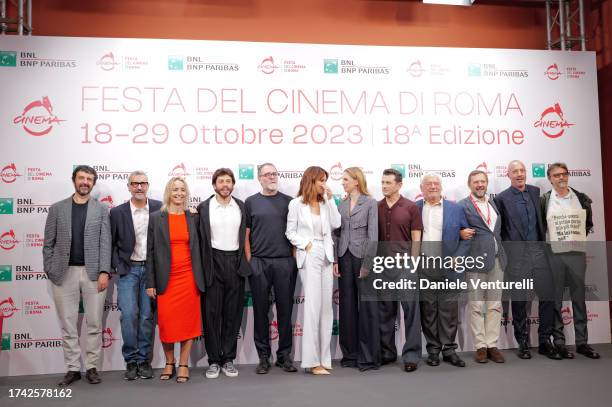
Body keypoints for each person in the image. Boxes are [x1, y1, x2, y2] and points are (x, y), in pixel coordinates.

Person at [43, 165, 111, 386]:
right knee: (68, 324)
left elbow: (105, 242)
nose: (85, 182)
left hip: (93, 274)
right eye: (81, 178)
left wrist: (103, 271)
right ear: (74, 180)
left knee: (94, 323)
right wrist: (50, 269)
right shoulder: (56, 209)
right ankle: (72, 369)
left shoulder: (101, 209)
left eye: (89, 179)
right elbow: (48, 243)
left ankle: (92, 367)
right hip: (64, 273)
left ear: (93, 183)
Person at [494, 160, 561, 360]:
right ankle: (522, 341)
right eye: (515, 171)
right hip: (518, 259)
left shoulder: (534, 192)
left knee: (548, 297)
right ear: (508, 174)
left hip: (539, 254)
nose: (520, 174)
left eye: (522, 170)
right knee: (520, 300)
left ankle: (544, 341)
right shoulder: (501, 199)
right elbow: (500, 230)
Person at [145, 177, 205, 383]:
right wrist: (150, 282)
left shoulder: (194, 217)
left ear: (186, 193)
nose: (178, 193)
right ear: (168, 193)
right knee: (167, 323)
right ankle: (169, 362)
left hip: (189, 277)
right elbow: (150, 253)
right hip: (165, 279)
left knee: (188, 323)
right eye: (174, 190)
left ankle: (183, 363)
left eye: (182, 190)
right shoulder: (156, 217)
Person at [540, 162, 599, 359]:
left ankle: (582, 342)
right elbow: (541, 228)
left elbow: (588, 224)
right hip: (554, 255)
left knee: (579, 298)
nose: (561, 178)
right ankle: (559, 343)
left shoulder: (581, 198)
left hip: (576, 255)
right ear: (550, 179)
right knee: (556, 299)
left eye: (564, 174)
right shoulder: (545, 200)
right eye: (556, 175)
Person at [286, 166, 341, 375]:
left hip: (326, 253)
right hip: (309, 253)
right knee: (312, 308)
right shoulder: (296, 204)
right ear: (311, 181)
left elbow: (336, 223)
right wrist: (305, 244)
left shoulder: (326, 203)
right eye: (321, 180)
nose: (324, 184)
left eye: (325, 180)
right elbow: (290, 232)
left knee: (327, 308)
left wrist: (331, 200)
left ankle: (325, 358)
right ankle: (311, 361)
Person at [198, 168, 252, 379]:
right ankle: (213, 361)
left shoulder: (241, 206)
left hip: (235, 263)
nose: (225, 185)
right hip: (212, 263)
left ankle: (228, 359)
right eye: (221, 181)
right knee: (211, 315)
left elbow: (247, 236)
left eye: (228, 181)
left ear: (233, 185)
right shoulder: (203, 207)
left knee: (232, 314)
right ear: (214, 185)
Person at [245, 163, 298, 374]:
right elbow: (246, 235)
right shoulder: (251, 202)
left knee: (285, 311)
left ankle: (284, 356)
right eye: (267, 174)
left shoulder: (290, 202)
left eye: (274, 173)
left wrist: (293, 261)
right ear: (259, 178)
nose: (272, 177)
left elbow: (295, 233)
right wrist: (250, 261)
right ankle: (264, 357)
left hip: (284, 262)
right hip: (259, 263)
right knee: (260, 311)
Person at [110, 171, 162, 380]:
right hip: (128, 270)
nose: (139, 187)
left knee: (147, 317)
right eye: (135, 184)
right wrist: (118, 266)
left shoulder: (160, 207)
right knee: (129, 315)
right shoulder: (117, 212)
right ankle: (131, 360)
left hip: (151, 270)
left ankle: (144, 360)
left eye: (143, 183)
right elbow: (111, 243)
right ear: (129, 187)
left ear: (148, 185)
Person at [416, 173, 470, 368]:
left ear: (441, 186)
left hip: (449, 266)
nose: (432, 187)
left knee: (448, 310)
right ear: (421, 188)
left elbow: (467, 236)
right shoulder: (415, 208)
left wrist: (458, 257)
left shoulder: (455, 209)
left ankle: (449, 350)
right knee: (428, 309)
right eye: (428, 184)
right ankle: (433, 350)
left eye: (436, 183)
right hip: (424, 266)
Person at [332, 167, 379, 371]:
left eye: (345, 179)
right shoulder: (341, 204)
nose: (342, 182)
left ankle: (368, 357)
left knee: (367, 308)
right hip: (344, 258)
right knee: (347, 307)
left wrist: (368, 263)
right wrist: (335, 260)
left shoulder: (370, 203)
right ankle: (349, 354)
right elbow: (336, 234)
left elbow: (373, 235)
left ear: (356, 181)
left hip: (362, 259)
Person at [377, 168, 423, 372]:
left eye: (388, 182)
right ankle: (387, 352)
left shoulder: (411, 207)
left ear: (399, 185)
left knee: (411, 312)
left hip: (405, 266)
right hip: (383, 267)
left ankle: (411, 355)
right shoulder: (376, 206)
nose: (385, 186)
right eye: (383, 182)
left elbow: (416, 238)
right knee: (385, 311)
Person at [460, 170, 506, 363]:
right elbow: (456, 227)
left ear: (487, 184)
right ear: (469, 184)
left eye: (483, 181)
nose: (480, 185)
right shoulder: (463, 205)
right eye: (476, 182)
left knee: (495, 305)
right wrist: (460, 232)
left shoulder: (493, 203)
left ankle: (492, 344)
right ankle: (480, 346)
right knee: (477, 305)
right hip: (475, 261)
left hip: (497, 260)